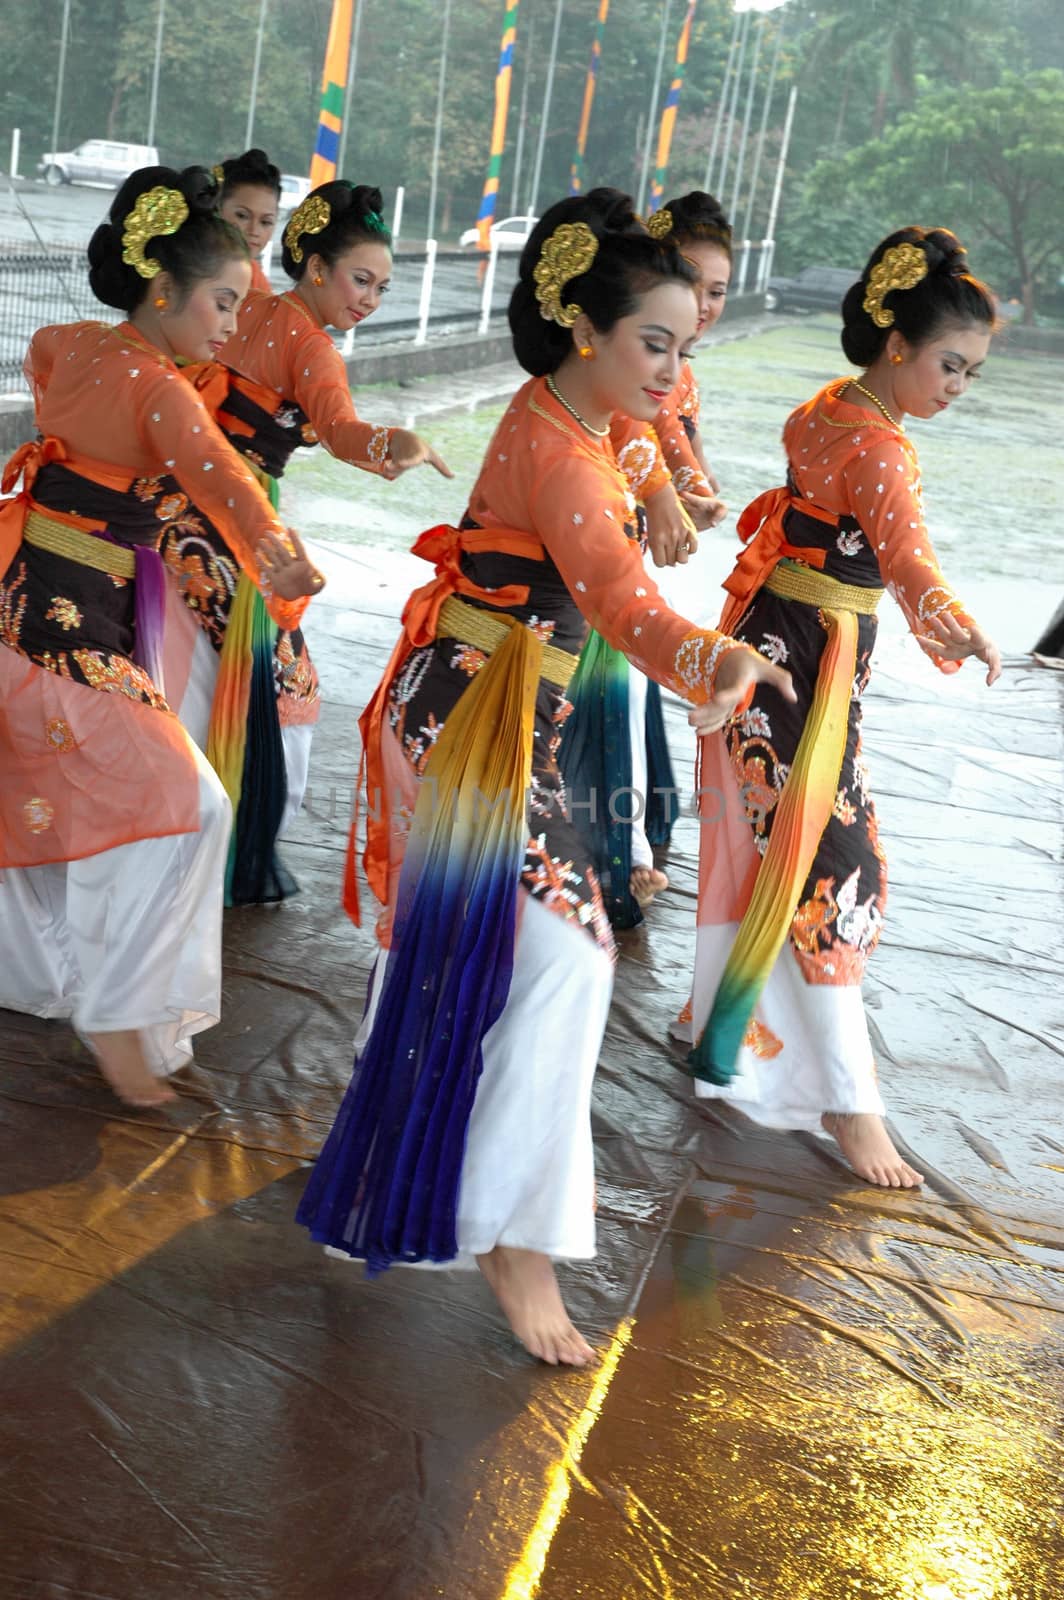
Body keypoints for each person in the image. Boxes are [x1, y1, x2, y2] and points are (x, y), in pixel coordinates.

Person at [295, 189, 794, 1366]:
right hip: (468, 723)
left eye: (682, 345)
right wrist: (707, 652)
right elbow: (621, 600)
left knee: (492, 956)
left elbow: (640, 467)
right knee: (566, 957)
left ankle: (403, 1183)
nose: (673, 370)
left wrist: (668, 481)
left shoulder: (589, 417)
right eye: (652, 344)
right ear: (585, 330)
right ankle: (512, 1244)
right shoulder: (557, 452)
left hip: (502, 711)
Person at [678, 226, 1001, 1187]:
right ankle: (851, 1108)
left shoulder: (825, 409)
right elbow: (907, 561)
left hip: (781, 639)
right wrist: (952, 617)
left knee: (776, 841)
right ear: (898, 344)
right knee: (841, 871)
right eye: (951, 364)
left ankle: (718, 1023)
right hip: (804, 671)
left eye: (973, 374)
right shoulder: (880, 449)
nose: (956, 387)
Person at [0, 166, 321, 1107]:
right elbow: (223, 477)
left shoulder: (81, 345)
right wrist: (278, 555)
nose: (232, 323)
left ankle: (44, 981)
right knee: (193, 807)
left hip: (37, 597)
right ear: (163, 290)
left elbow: (45, 355)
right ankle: (117, 1014)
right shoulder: (161, 391)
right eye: (223, 302)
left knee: (41, 793)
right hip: (67, 626)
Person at [160, 181, 451, 903]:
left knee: (181, 667)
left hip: (167, 503)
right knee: (287, 691)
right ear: (315, 268)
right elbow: (344, 429)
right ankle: (225, 842)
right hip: (236, 518)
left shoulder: (245, 300)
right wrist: (394, 439)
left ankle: (177, 833)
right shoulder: (311, 343)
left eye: (383, 288)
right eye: (361, 280)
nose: (370, 301)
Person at [561, 193, 736, 924]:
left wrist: (693, 490)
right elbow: (634, 429)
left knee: (623, 693)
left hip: (619, 539)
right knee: (593, 695)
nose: (704, 302)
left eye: (718, 290)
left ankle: (619, 850)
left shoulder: (678, 363)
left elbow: (675, 437)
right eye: (690, 281)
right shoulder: (621, 354)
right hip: (582, 538)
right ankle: (604, 853)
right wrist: (664, 494)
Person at [214, 147, 282, 295]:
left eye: (265, 222)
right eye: (242, 216)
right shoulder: (189, 268)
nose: (254, 231)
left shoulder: (257, 282)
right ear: (217, 208)